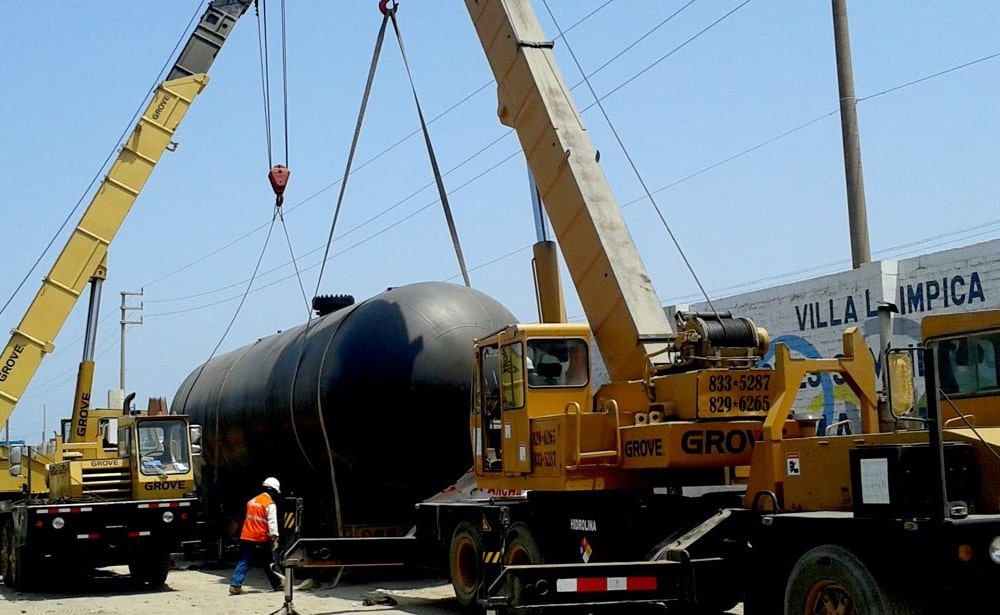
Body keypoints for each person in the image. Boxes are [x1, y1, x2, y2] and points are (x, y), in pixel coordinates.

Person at [229, 476, 283, 595]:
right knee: (269, 562)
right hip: (260, 538)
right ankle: (278, 584)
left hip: (246, 536)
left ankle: (235, 585)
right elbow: (272, 522)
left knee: (244, 560)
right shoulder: (270, 504)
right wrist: (275, 538)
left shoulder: (252, 501)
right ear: (273, 491)